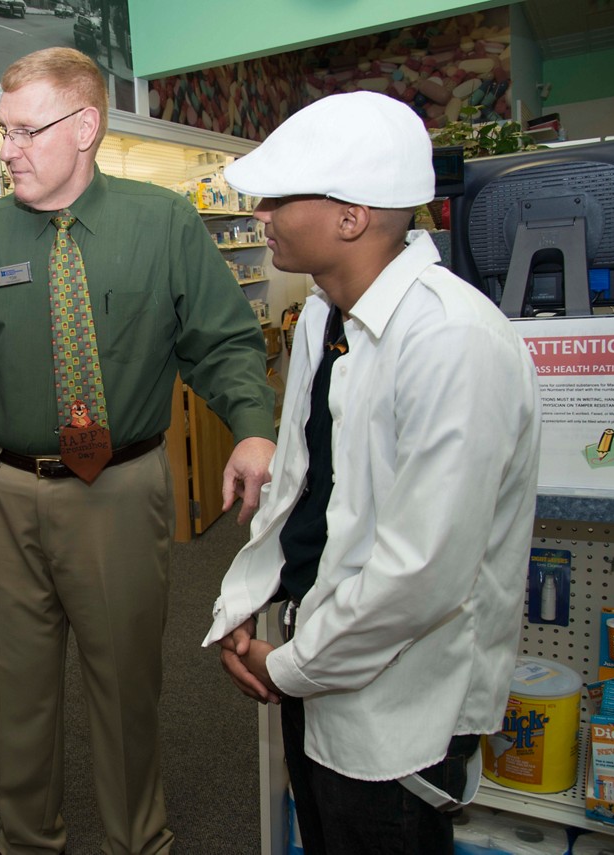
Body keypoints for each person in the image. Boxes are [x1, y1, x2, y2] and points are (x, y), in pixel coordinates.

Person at [0, 47, 277, 855]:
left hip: (120, 491)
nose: (6, 149)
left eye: (25, 131)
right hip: (9, 494)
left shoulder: (160, 223)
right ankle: (27, 843)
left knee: (125, 692)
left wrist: (253, 424)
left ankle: (138, 843)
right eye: (1, 131)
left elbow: (224, 342)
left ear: (85, 126)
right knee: (13, 697)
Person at [205, 91, 541, 854]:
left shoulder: (454, 342)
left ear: (352, 217)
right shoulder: (325, 316)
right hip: (309, 659)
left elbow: (421, 572)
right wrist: (246, 606)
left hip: (397, 708)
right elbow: (300, 484)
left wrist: (289, 665)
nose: (262, 215)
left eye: (279, 199)